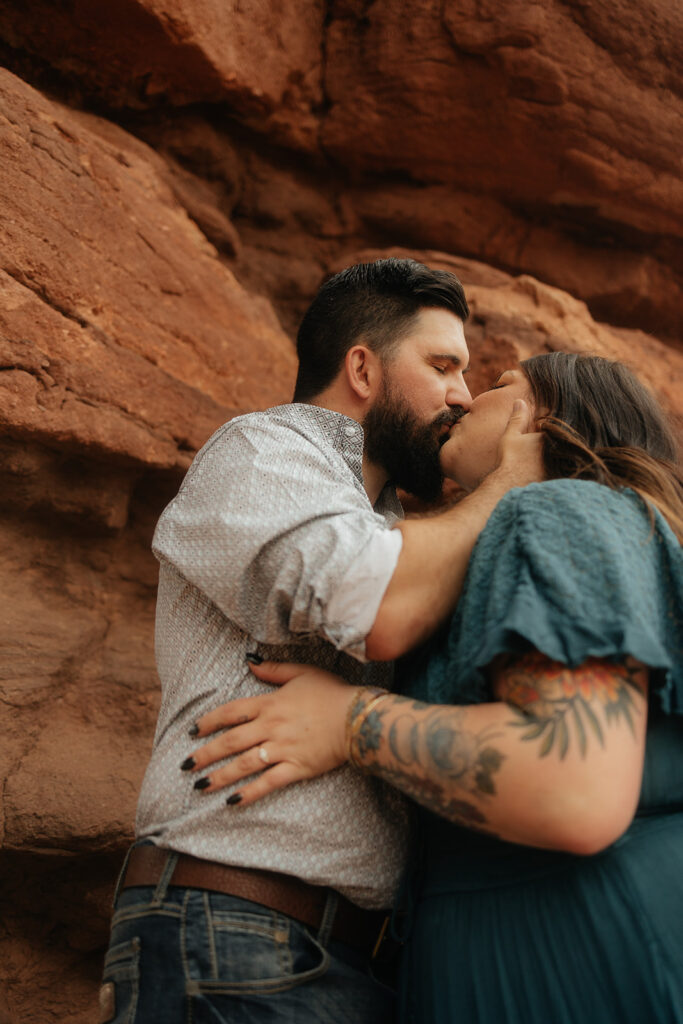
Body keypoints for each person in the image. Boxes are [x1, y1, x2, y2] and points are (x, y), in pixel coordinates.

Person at [100, 258, 542, 1024]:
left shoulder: (405, 526)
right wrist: (510, 483)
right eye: (442, 366)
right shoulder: (262, 450)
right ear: (362, 367)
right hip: (231, 932)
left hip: (357, 961)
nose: (462, 396)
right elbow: (373, 607)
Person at [187, 352, 683, 1023]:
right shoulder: (617, 529)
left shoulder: (559, 511)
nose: (463, 400)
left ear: (538, 417)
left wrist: (349, 721)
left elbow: (573, 788)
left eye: (498, 385)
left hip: (575, 964)